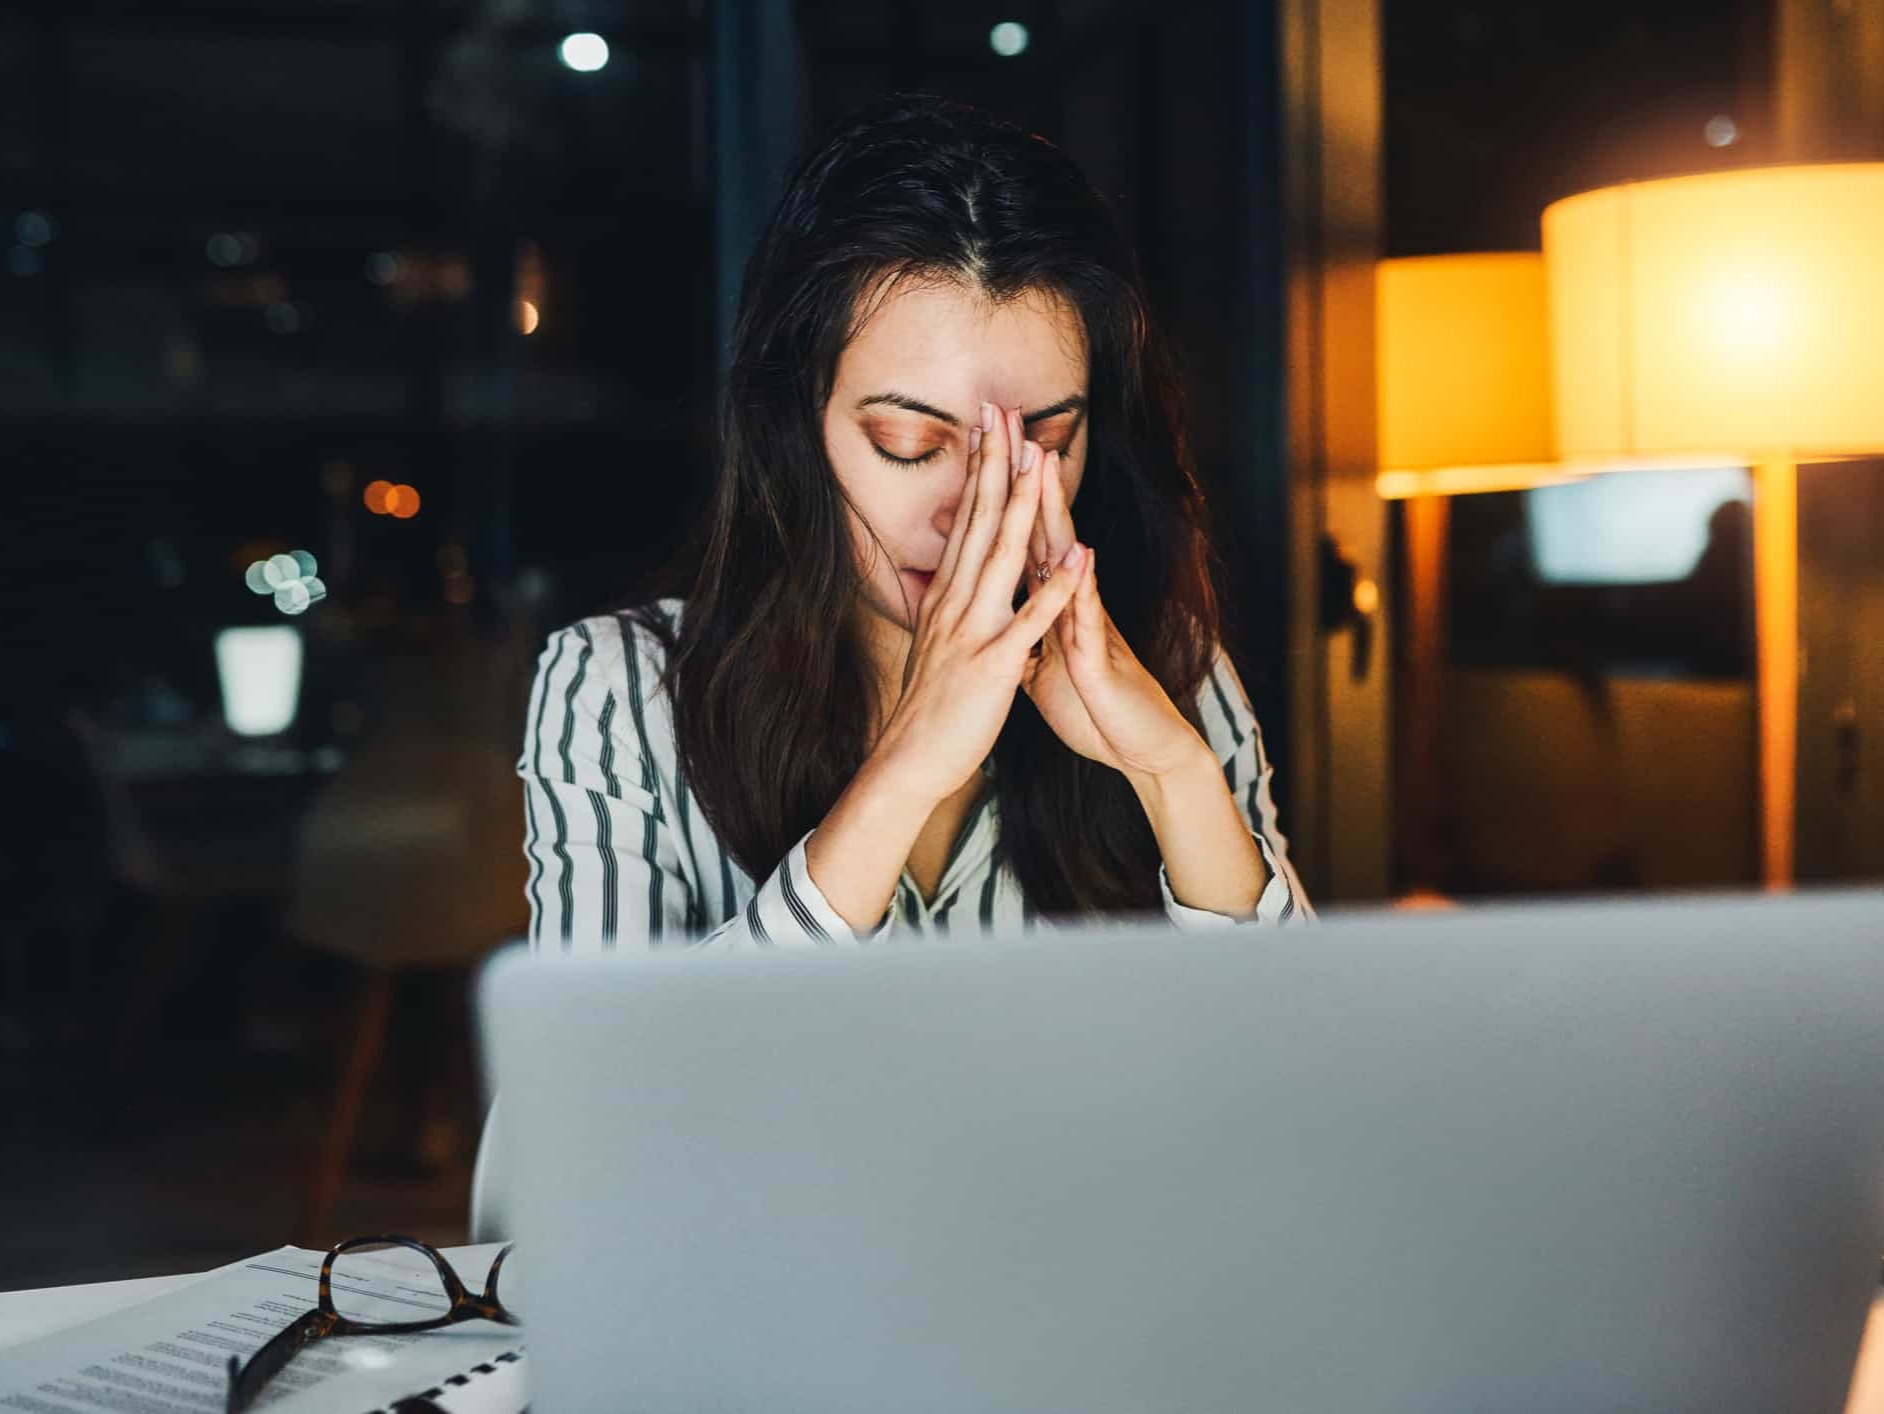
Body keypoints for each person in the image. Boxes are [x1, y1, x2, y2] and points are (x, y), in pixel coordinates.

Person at [518, 91, 1311, 950]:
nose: (974, 509)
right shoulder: (621, 693)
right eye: (906, 441)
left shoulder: (1172, 667)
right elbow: (591, 1084)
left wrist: (1174, 774)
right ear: (797, 429)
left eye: (1041, 443)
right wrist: (902, 777)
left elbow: (1299, 1063)